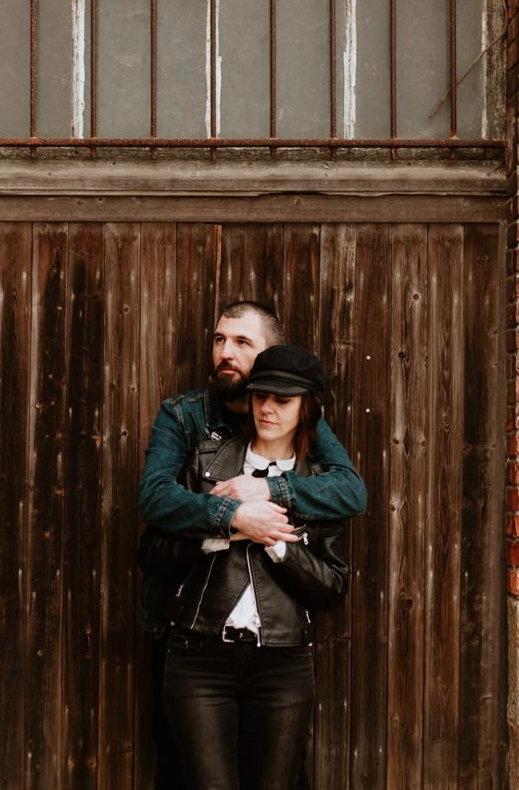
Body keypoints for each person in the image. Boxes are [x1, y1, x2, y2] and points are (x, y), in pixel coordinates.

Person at [137, 301, 366, 787]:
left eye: (242, 343)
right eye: (220, 340)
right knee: (184, 771)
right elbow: (155, 502)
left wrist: (271, 492)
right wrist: (230, 517)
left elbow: (350, 491)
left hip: (278, 650)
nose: (226, 353)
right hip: (190, 631)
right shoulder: (188, 423)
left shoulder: (301, 421)